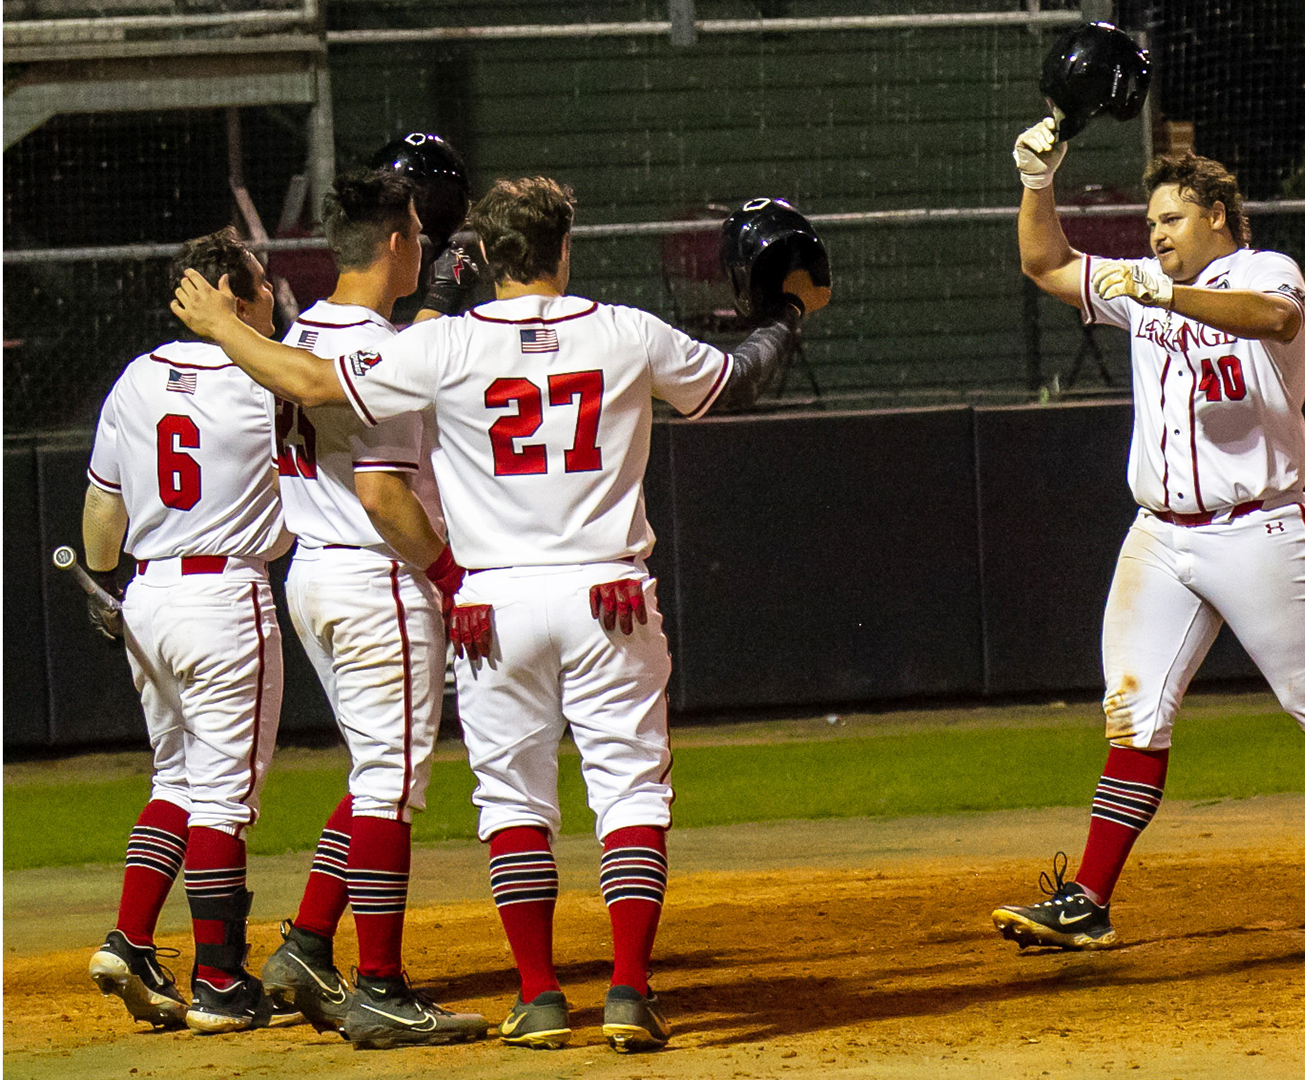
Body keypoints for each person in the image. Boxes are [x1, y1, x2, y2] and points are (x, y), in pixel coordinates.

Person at [169, 176, 828, 1052]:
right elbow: (738, 380)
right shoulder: (626, 330)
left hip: (491, 603)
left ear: (486, 256)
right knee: (628, 790)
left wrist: (224, 330)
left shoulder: (443, 347)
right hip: (609, 596)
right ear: (563, 247)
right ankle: (629, 991)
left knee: (512, 799)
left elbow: (312, 381)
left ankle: (540, 995)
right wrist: (787, 312)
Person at [989, 119, 1305, 950]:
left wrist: (1163, 292)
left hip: (1260, 527)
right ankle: (1088, 899)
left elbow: (1272, 321)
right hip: (1161, 535)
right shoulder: (1143, 281)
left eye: (1170, 219)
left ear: (1215, 214)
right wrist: (1037, 182)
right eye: (1150, 225)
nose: (1155, 236)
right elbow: (1046, 264)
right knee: (1134, 713)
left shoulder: (1264, 268)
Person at [251, 168, 488, 1047]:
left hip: (313, 570)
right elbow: (388, 495)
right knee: (392, 783)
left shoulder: (301, 337)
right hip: (376, 571)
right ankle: (381, 986)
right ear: (396, 244)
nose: (421, 246)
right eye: (416, 234)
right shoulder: (377, 350)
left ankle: (309, 946)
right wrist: (451, 574)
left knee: (372, 774)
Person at [82, 228, 291, 1032]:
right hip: (227, 597)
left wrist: (110, 581)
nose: (273, 295)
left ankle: (131, 939)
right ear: (233, 299)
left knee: (177, 781)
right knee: (225, 802)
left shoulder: (135, 381)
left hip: (147, 596)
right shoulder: (266, 380)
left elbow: (102, 530)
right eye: (262, 284)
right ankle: (221, 980)